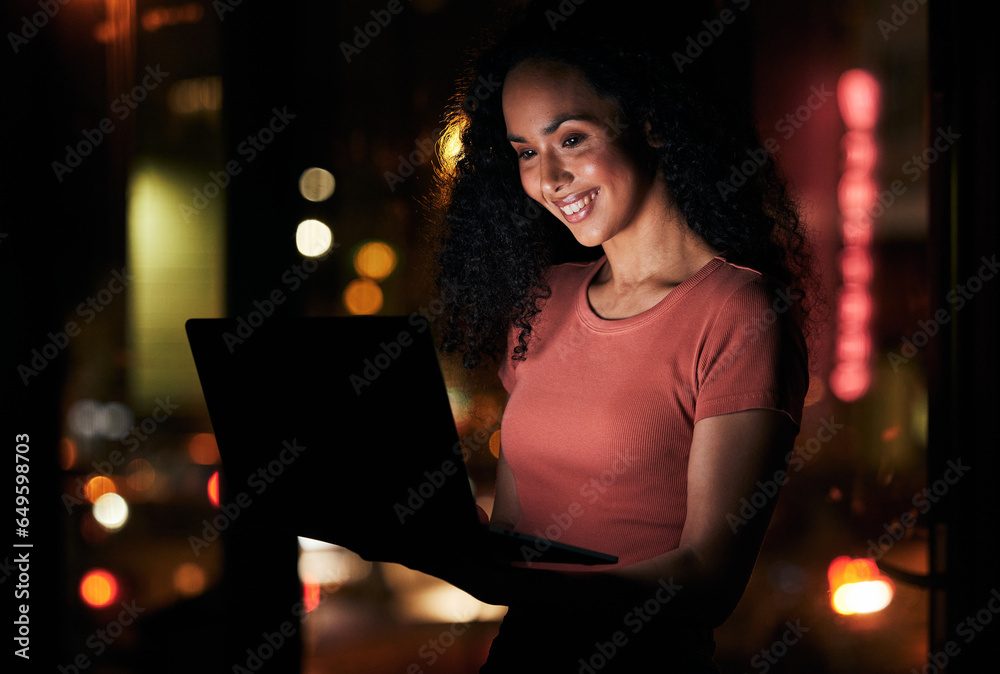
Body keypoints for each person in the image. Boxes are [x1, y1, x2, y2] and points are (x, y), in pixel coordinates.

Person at [417, 2, 818, 671]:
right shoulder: (541, 304)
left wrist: (510, 582)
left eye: (571, 139)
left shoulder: (738, 314)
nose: (548, 179)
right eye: (525, 153)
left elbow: (707, 580)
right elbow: (519, 538)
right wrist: (415, 533)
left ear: (651, 122)